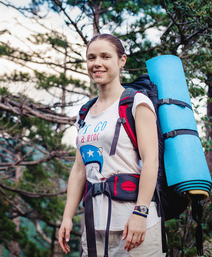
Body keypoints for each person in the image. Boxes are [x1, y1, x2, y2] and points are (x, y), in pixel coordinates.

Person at [58, 34, 162, 256]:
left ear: (121, 60)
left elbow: (151, 160)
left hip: (135, 225)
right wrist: (67, 216)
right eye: (91, 57)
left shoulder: (136, 102)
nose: (97, 63)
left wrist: (140, 213)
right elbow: (79, 169)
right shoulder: (85, 113)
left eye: (105, 56)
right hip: (94, 227)